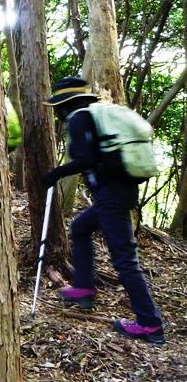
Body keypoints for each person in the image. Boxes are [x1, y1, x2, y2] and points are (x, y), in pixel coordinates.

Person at [42, 76, 165, 344]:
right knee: (80, 227)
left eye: (59, 106)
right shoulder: (96, 116)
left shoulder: (79, 118)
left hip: (111, 196)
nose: (59, 112)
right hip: (120, 193)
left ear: (67, 104)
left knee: (124, 259)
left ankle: (150, 324)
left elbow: (87, 159)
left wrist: (56, 174)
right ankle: (84, 288)